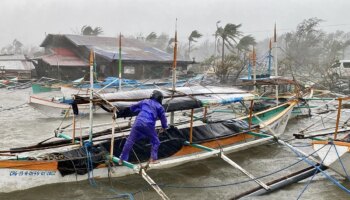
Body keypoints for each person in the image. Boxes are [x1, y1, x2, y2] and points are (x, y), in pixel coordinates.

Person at [118, 90, 168, 165]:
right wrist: (164, 127)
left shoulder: (145, 101)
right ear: (160, 98)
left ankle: (121, 159)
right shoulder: (160, 107)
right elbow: (163, 118)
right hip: (148, 124)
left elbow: (132, 107)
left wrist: (122, 113)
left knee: (130, 141)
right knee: (156, 141)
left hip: (137, 122)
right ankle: (153, 159)